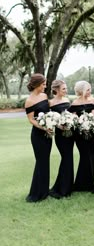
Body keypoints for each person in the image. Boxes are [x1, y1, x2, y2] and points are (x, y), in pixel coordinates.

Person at [25, 73, 52, 202]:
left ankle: (44, 191)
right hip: (38, 135)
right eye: (43, 84)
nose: (45, 87)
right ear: (36, 85)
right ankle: (36, 193)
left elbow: (49, 112)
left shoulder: (44, 96)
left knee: (45, 162)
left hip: (48, 134)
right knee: (41, 162)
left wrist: (51, 123)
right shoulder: (29, 101)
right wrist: (43, 127)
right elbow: (31, 120)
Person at [69, 81, 94, 192]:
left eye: (90, 89)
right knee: (85, 156)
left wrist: (89, 125)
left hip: (92, 133)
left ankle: (90, 183)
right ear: (82, 90)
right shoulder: (75, 103)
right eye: (88, 89)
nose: (90, 92)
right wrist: (81, 125)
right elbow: (73, 118)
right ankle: (81, 184)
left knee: (92, 156)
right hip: (79, 134)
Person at [49, 80, 74, 199]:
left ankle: (67, 186)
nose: (66, 90)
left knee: (69, 159)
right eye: (64, 88)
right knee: (66, 158)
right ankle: (62, 189)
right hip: (60, 135)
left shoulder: (67, 100)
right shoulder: (50, 103)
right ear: (57, 90)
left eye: (66, 88)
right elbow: (50, 119)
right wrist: (58, 125)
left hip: (70, 133)